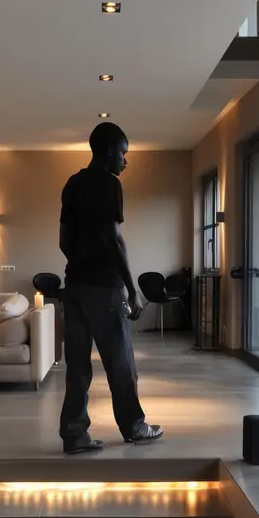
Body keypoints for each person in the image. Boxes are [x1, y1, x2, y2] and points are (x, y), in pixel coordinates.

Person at [59, 122, 163, 455]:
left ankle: (74, 436)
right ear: (109, 152)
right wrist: (131, 289)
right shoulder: (109, 184)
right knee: (120, 363)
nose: (125, 161)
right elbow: (114, 239)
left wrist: (80, 265)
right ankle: (134, 426)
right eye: (123, 153)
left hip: (72, 285)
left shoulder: (73, 184)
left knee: (77, 366)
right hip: (104, 288)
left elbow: (64, 241)